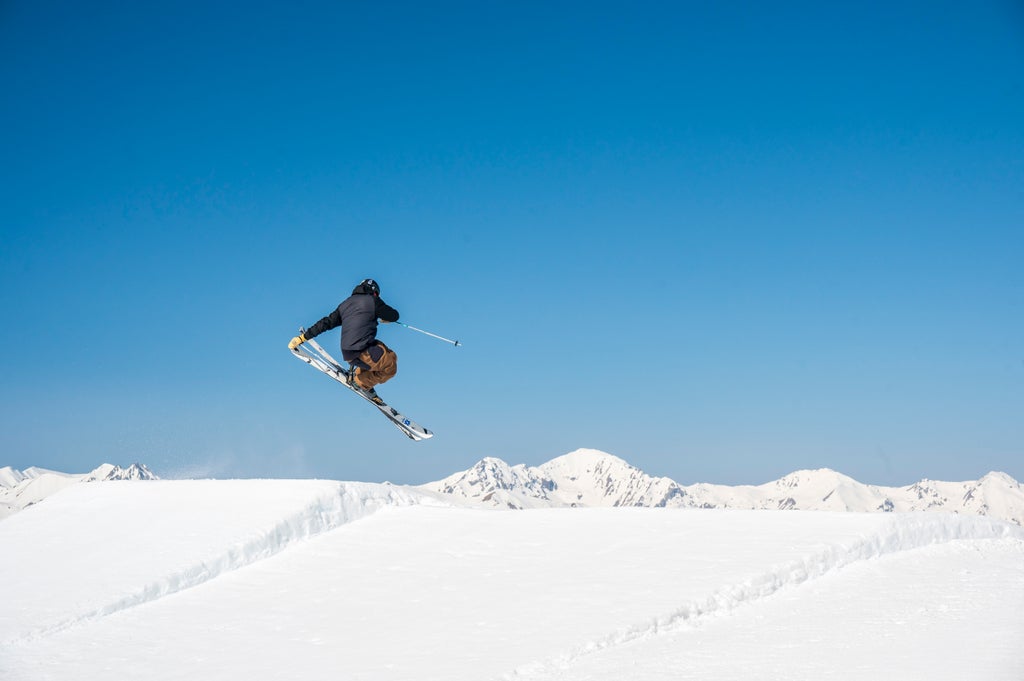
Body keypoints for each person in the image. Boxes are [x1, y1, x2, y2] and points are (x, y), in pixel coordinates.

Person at [288, 279, 399, 401]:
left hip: (348, 353)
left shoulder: (345, 305)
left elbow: (326, 323)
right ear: (374, 292)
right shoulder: (372, 301)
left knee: (381, 348)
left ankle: (359, 375)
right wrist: (386, 318)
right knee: (390, 364)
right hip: (362, 351)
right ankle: (360, 382)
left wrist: (303, 337)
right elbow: (394, 315)